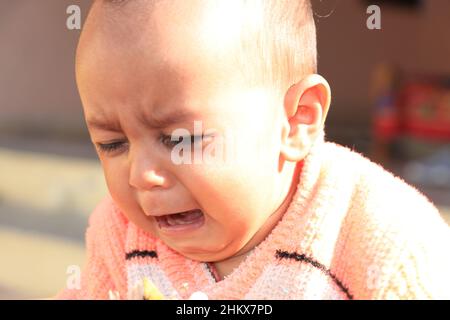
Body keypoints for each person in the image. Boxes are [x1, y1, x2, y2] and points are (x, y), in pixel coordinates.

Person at [56, 0, 450, 299]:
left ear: (296, 121)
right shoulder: (120, 235)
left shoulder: (384, 240)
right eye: (113, 143)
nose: (141, 174)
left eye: (180, 140)